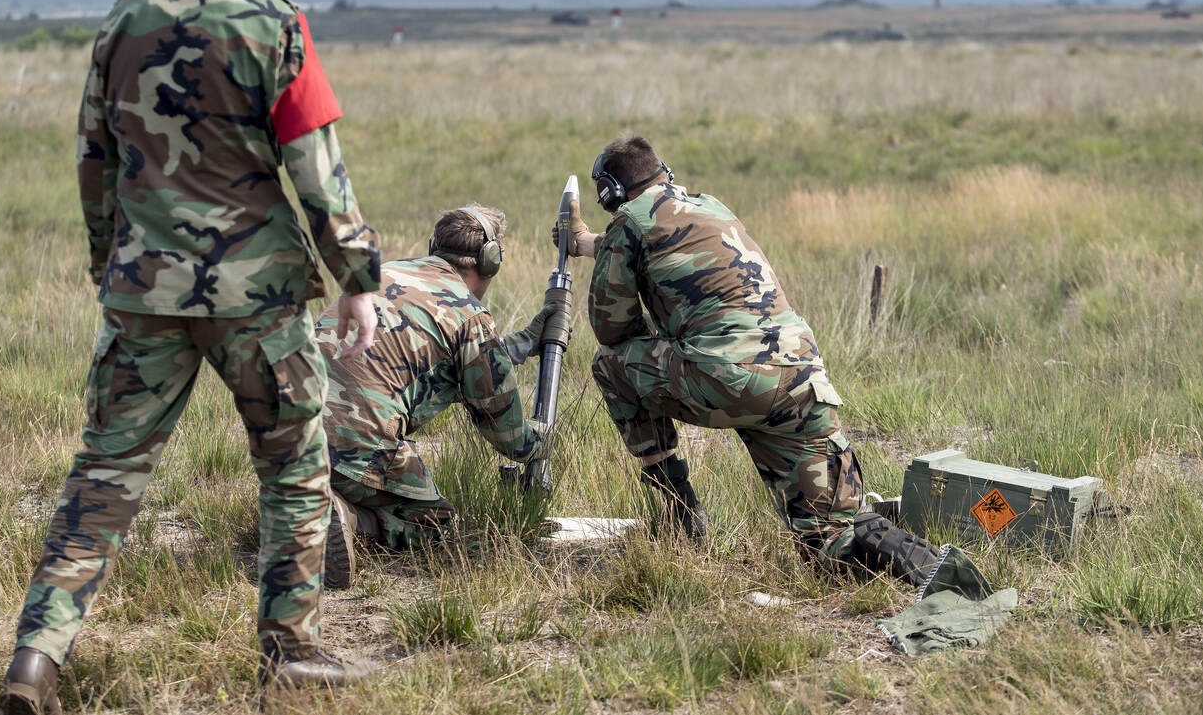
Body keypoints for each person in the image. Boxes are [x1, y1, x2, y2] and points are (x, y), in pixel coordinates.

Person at [2, 0, 380, 709]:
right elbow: (317, 171)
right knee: (293, 468)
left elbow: (94, 156)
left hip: (143, 291)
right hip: (256, 298)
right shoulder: (276, 24)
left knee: (104, 475)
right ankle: (291, 650)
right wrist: (357, 277)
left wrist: (111, 262)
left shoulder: (124, 20)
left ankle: (35, 658)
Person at [561, 135, 941, 583]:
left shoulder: (627, 222)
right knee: (825, 543)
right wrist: (590, 244)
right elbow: (660, 234)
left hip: (730, 380)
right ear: (664, 173)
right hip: (802, 379)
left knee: (610, 363)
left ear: (612, 194)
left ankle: (679, 513)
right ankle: (921, 562)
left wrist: (608, 259)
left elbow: (612, 329)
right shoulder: (711, 206)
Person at [315, 205, 554, 588]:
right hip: (354, 445)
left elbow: (436, 364)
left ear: (434, 246)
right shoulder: (469, 314)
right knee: (434, 525)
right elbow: (509, 435)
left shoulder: (383, 274)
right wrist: (541, 440)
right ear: (490, 261)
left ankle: (297, 497)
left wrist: (520, 343)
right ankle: (346, 518)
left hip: (286, 431)